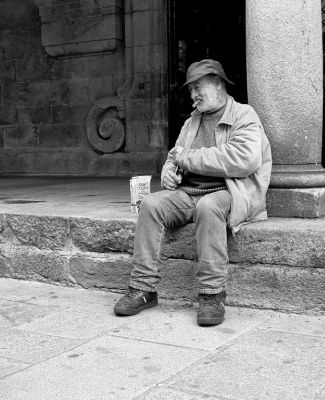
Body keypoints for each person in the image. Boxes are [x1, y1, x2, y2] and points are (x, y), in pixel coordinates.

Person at [113, 59, 272, 326]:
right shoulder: (191, 122)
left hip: (229, 191)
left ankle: (212, 294)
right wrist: (168, 172)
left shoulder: (244, 114)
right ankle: (143, 289)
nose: (194, 95)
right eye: (190, 90)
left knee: (208, 207)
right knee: (151, 204)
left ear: (218, 84)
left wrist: (189, 158)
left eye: (198, 87)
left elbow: (244, 159)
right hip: (189, 192)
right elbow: (176, 156)